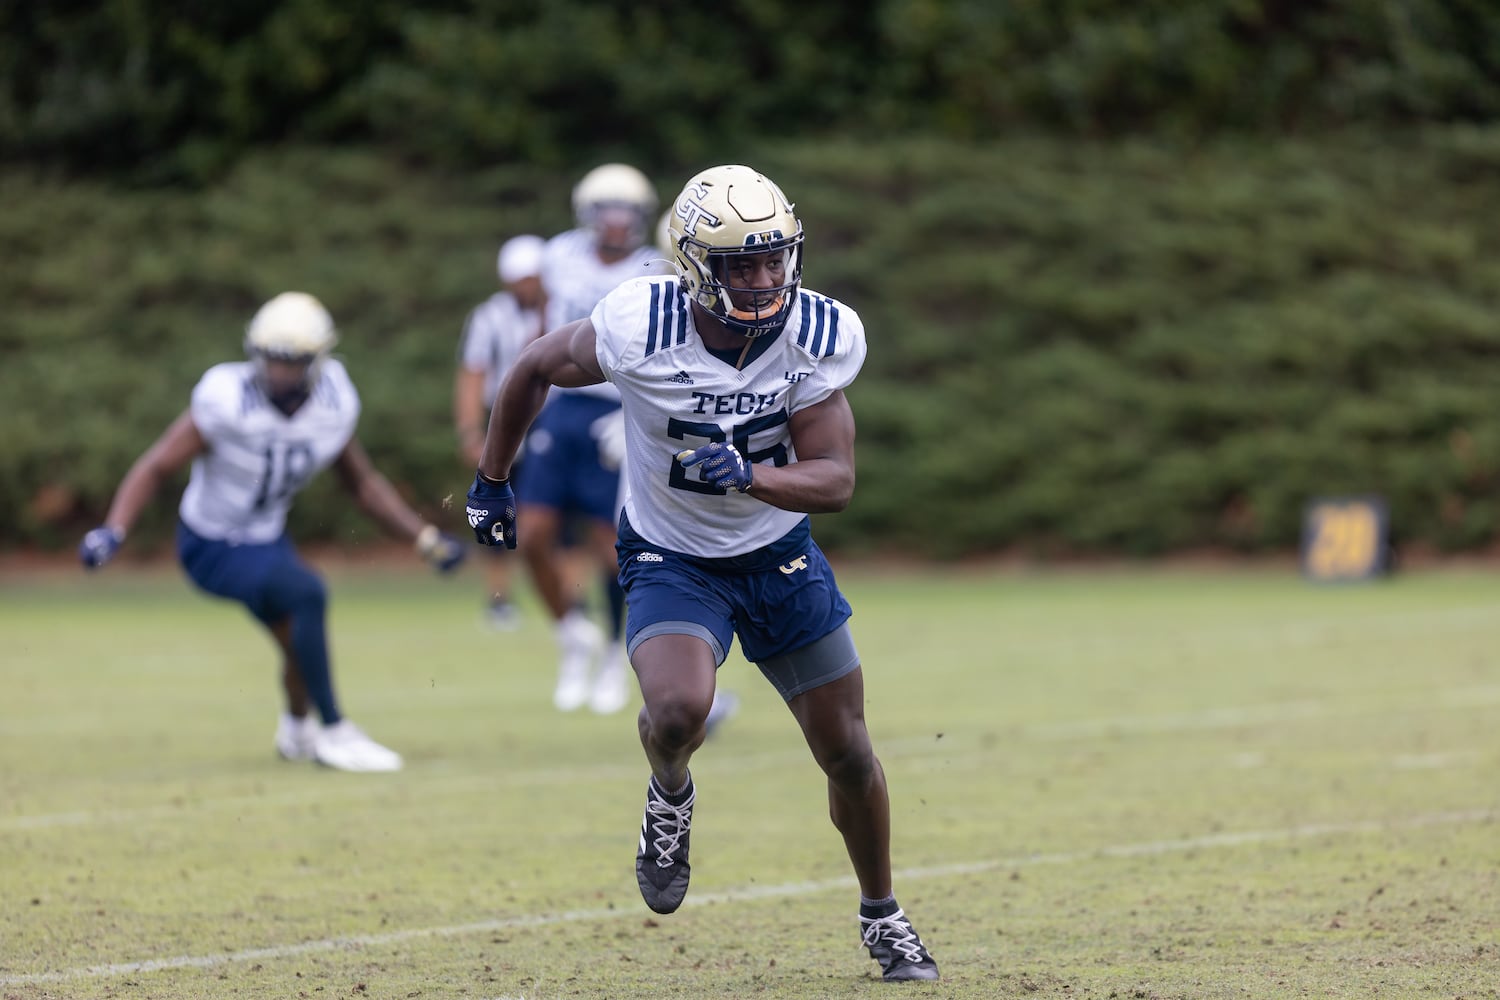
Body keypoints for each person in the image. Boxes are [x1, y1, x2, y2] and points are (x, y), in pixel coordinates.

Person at [464, 165, 938, 980]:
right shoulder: (638, 324)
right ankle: (670, 793)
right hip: (671, 553)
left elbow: (836, 479)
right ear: (691, 265)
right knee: (680, 709)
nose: (762, 281)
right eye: (739, 266)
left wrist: (751, 476)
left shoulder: (816, 335)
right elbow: (534, 365)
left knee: (849, 752)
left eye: (774, 260)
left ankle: (883, 915)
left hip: (778, 553)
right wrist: (492, 479)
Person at [79, 291, 466, 773]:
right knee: (307, 594)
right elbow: (157, 466)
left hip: (265, 537)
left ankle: (297, 729)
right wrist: (113, 530)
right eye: (271, 359)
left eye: (293, 361)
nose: (280, 372)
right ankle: (335, 732)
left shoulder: (333, 402)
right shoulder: (227, 399)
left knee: (296, 636)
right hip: (212, 543)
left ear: (318, 360)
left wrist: (423, 538)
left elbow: (362, 483)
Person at [521, 162, 660, 715]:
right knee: (531, 533)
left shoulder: (656, 267)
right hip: (561, 406)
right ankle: (571, 633)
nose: (617, 222)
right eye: (608, 210)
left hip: (615, 409)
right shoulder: (560, 254)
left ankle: (609, 651)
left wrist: (642, 413)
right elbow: (542, 327)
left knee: (611, 543)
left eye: (627, 211)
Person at [454, 234, 548, 630]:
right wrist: (469, 430)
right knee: (495, 507)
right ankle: (499, 598)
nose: (526, 286)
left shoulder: (566, 308)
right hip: (505, 417)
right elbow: (472, 373)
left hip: (551, 419)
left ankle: (568, 594)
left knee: (553, 510)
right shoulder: (489, 316)